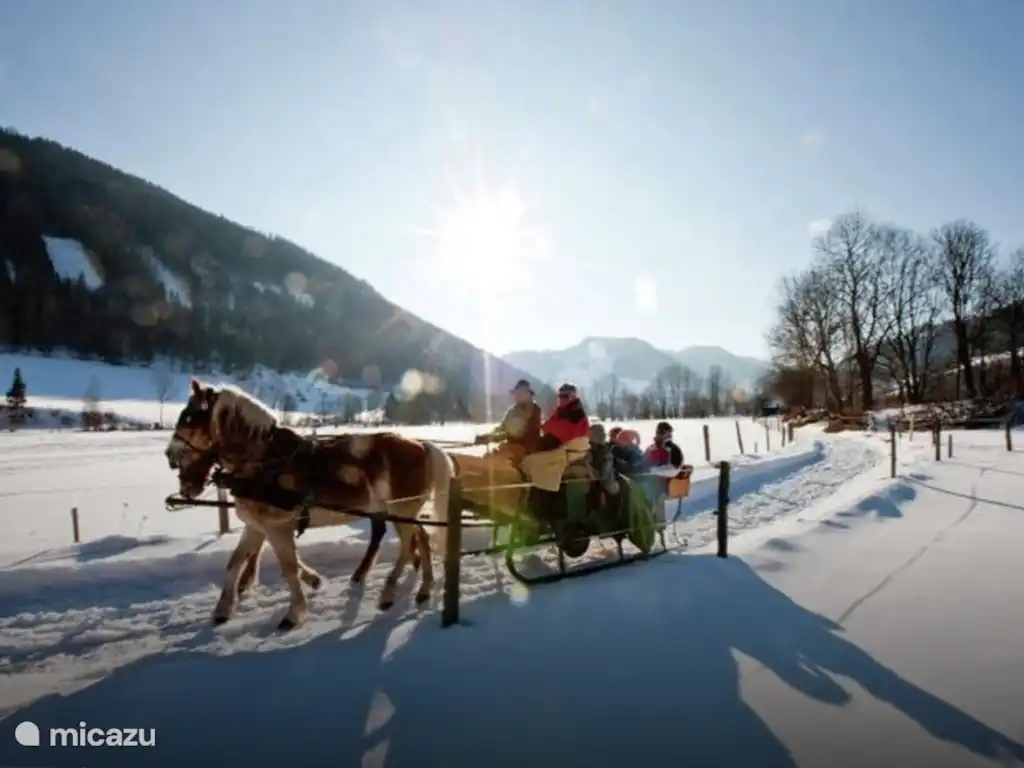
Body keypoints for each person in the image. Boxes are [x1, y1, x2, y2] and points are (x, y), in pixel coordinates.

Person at [474, 379, 542, 462]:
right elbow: (501, 428)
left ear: (528, 394)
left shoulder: (534, 410)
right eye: (517, 393)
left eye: (522, 393)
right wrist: (486, 436)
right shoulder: (512, 411)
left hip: (526, 450)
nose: (518, 395)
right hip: (510, 447)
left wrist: (490, 438)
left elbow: (514, 433)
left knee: (496, 458)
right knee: (488, 457)